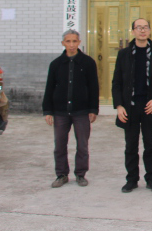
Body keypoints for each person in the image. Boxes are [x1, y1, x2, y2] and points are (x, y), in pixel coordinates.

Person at [112, 18, 152, 193]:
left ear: (150, 30)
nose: (142, 30)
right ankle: (131, 179)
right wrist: (119, 105)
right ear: (133, 31)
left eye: (145, 27)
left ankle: (151, 179)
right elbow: (116, 82)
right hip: (130, 107)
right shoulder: (124, 54)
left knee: (150, 145)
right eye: (139, 27)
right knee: (131, 146)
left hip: (150, 107)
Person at [42, 29, 99, 188]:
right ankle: (61, 174)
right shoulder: (56, 64)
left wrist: (93, 109)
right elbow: (49, 88)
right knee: (60, 145)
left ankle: (80, 174)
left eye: (74, 41)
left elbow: (93, 87)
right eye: (68, 41)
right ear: (63, 43)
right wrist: (48, 111)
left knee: (82, 145)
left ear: (79, 42)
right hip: (60, 111)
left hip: (81, 111)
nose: (72, 45)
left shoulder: (88, 63)